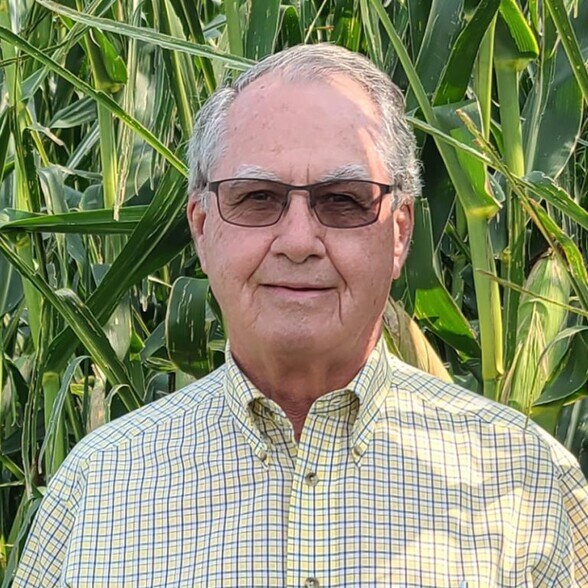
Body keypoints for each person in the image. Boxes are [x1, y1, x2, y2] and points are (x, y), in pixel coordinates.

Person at [14, 43, 588, 587]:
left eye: (342, 201)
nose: (297, 241)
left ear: (400, 233)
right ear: (202, 228)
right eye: (257, 198)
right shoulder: (97, 490)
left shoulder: (525, 482)